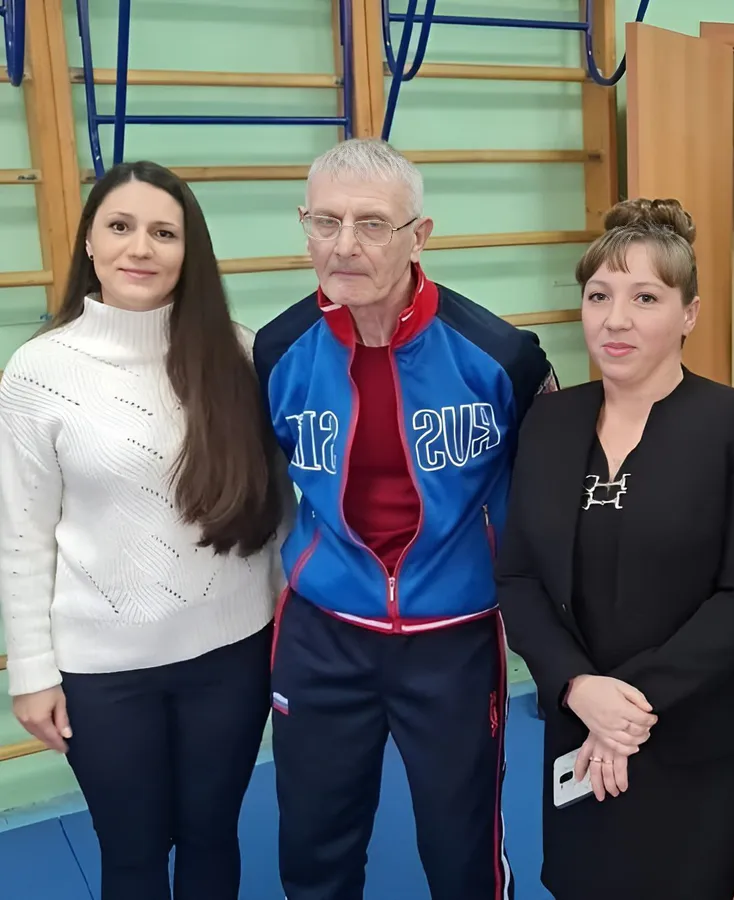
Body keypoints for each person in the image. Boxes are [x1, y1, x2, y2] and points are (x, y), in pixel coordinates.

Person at [252, 137, 556, 900]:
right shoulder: (279, 352)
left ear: (419, 236)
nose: (344, 245)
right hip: (323, 635)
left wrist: (554, 644)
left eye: (372, 224)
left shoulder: (501, 357)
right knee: (314, 854)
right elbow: (261, 492)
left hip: (452, 640)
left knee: (463, 859)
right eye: (325, 221)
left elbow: (540, 512)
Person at [0, 161, 286, 900]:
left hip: (232, 655)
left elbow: (275, 509)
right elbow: (22, 535)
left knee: (211, 836)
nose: (141, 248)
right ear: (89, 242)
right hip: (103, 674)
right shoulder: (38, 371)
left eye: (164, 232)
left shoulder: (241, 353)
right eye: (120, 227)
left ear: (190, 251)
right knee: (131, 855)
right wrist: (31, 673)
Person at [496, 198, 734, 900]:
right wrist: (578, 688)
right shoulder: (549, 420)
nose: (615, 319)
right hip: (582, 726)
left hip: (704, 738)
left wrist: (628, 708)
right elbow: (518, 577)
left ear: (690, 313)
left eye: (645, 298)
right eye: (599, 296)